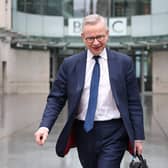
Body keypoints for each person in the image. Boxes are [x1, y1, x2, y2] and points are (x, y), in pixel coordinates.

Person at [34, 14, 145, 168]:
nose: (96, 42)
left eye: (100, 37)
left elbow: (134, 102)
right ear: (82, 37)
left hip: (115, 132)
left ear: (107, 34)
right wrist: (44, 126)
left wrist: (138, 137)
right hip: (84, 132)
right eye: (90, 38)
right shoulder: (70, 65)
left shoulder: (124, 63)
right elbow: (56, 98)